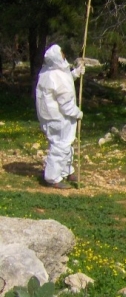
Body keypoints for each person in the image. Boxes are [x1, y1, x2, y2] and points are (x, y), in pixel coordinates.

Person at [35, 44, 85, 189]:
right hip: (59, 117)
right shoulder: (56, 76)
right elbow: (65, 102)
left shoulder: (48, 72)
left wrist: (76, 73)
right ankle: (52, 178)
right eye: (62, 53)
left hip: (49, 117)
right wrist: (77, 113)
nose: (64, 55)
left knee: (64, 143)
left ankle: (66, 170)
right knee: (60, 145)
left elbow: (64, 78)